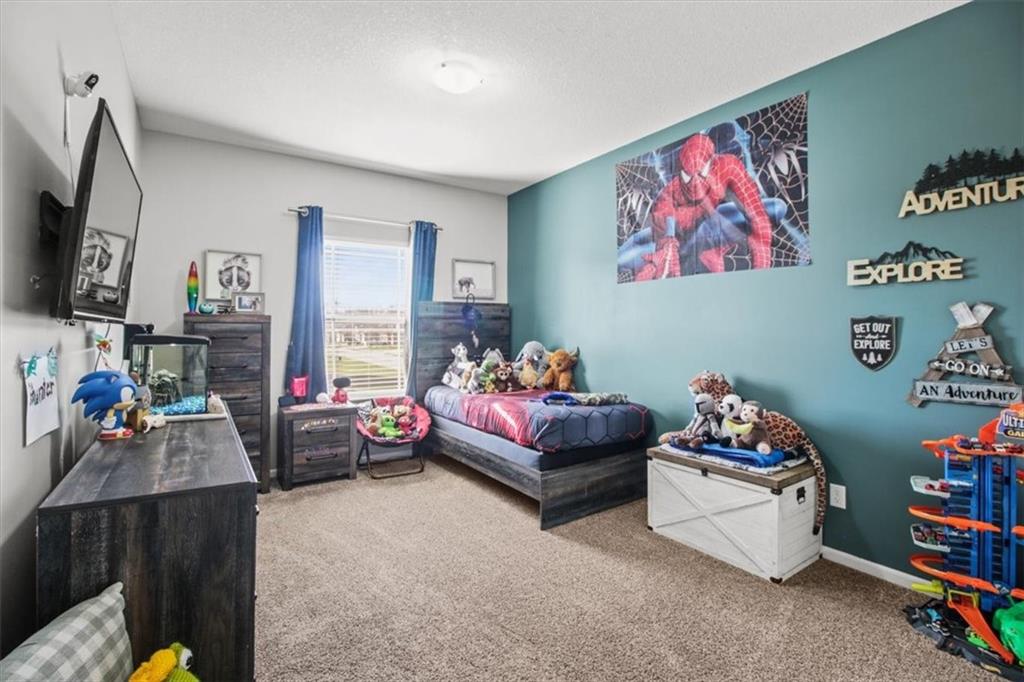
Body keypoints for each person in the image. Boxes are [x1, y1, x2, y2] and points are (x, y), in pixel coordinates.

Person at [635, 133, 772, 280]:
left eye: (701, 173)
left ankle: (713, 252)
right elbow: (663, 223)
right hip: (685, 239)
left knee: (776, 207)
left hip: (710, 229)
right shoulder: (671, 190)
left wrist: (762, 268)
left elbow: (757, 214)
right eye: (687, 176)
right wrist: (668, 246)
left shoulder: (728, 166)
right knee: (631, 256)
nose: (695, 183)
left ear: (712, 162)